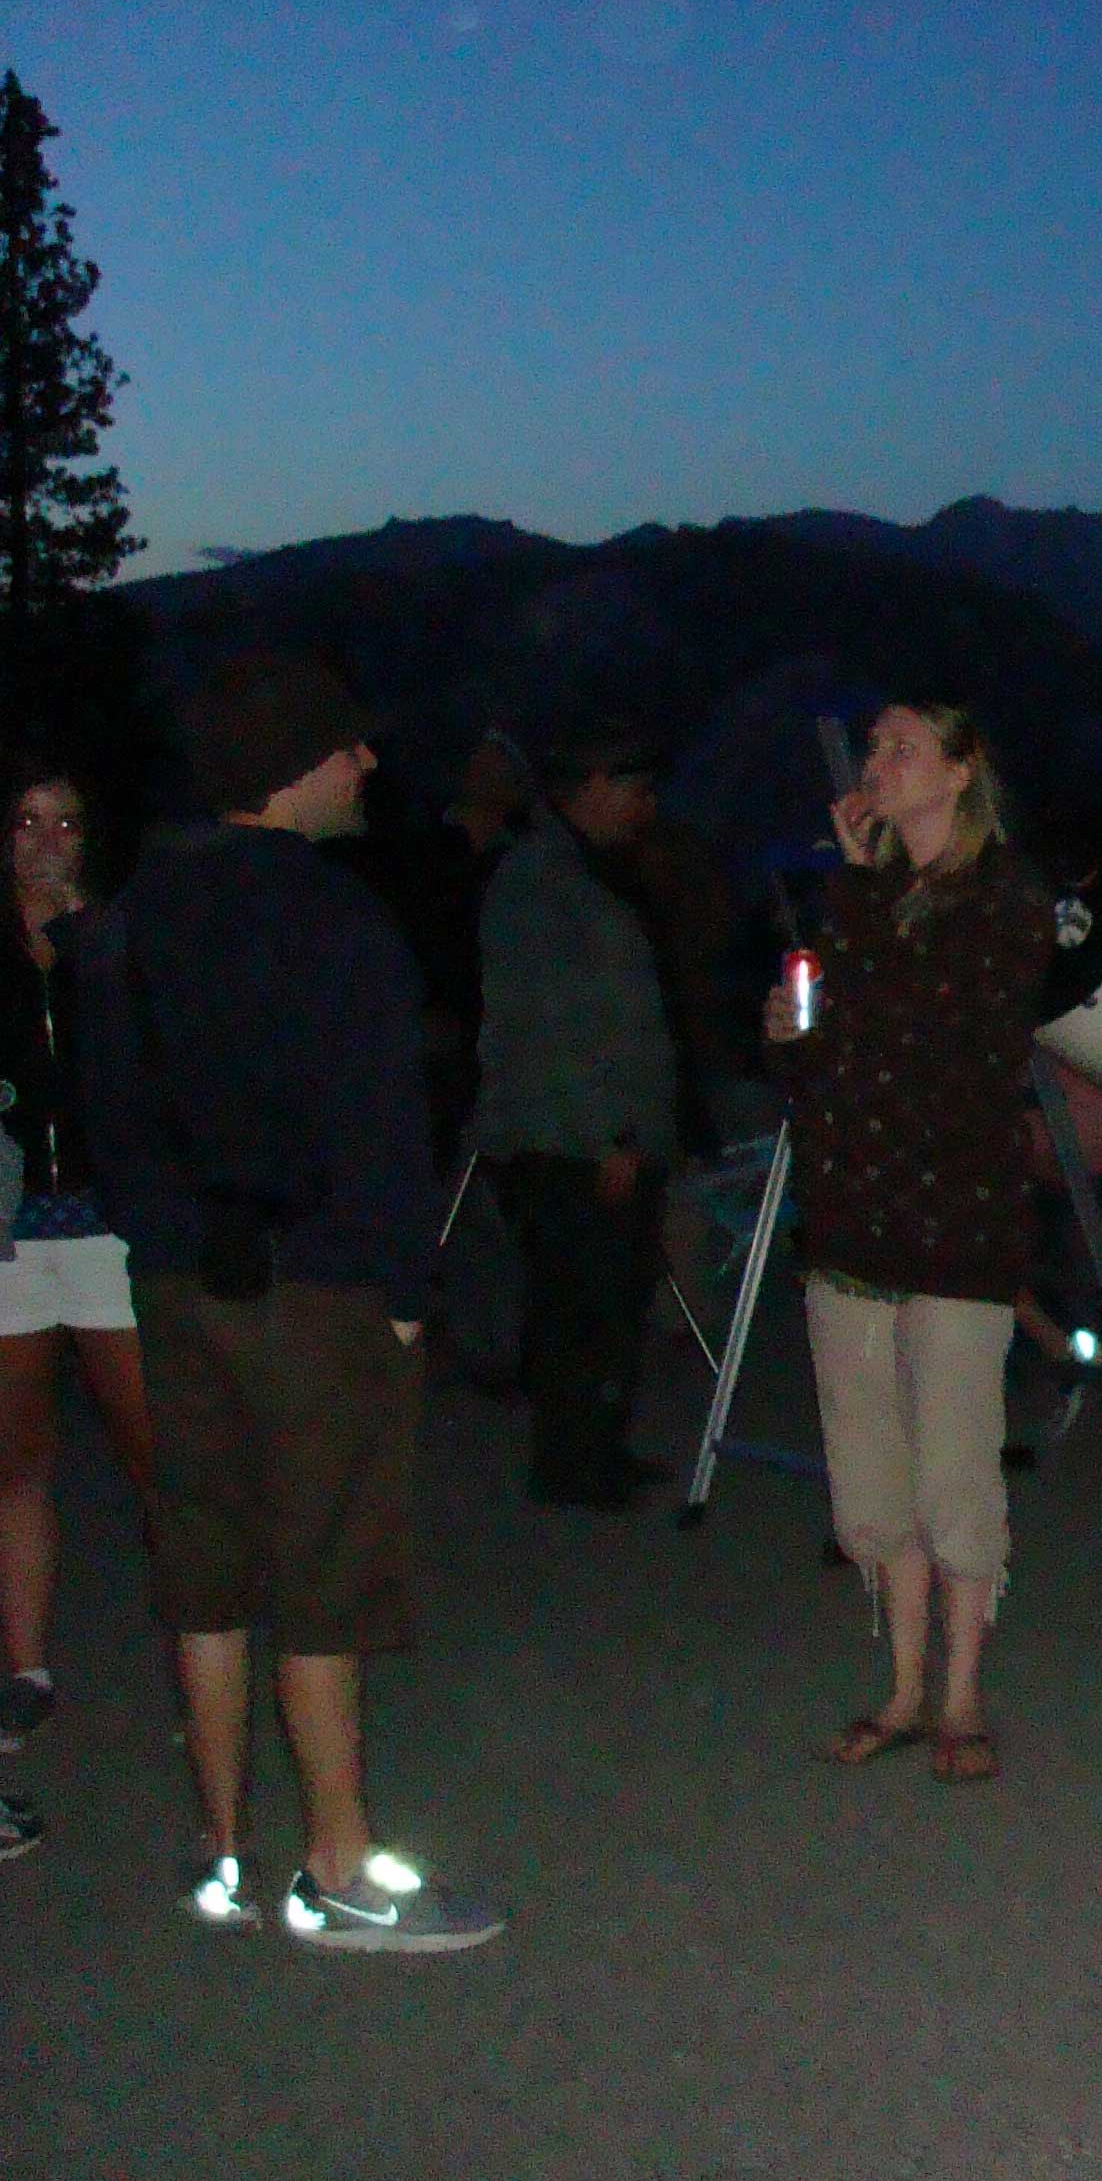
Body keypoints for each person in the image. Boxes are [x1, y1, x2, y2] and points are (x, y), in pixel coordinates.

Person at [69, 654, 502, 1951]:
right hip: (317, 1291)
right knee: (325, 1567)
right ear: (288, 765)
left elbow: (109, 1118)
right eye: (345, 745)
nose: (367, 763)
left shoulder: (132, 917)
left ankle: (223, 1851)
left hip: (179, 1286)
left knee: (205, 1561)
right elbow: (381, 1125)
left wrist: (170, 1241)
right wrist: (407, 1293)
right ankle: (340, 1866)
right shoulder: (333, 918)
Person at [771, 699, 1056, 1786]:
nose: (877, 765)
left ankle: (962, 1692)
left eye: (903, 748)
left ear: (960, 770)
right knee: (868, 1477)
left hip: (956, 1222)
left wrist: (857, 900)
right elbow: (828, 1058)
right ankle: (900, 1688)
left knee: (953, 1472)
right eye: (876, 747)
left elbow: (939, 1027)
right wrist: (792, 1031)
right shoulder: (861, 897)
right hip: (853, 1211)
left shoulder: (1005, 896)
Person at [469, 719, 681, 1511]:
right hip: (571, 1136)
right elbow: (554, 1022)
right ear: (593, 786)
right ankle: (572, 1464)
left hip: (599, 1129)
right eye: (634, 789)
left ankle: (598, 1448)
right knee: (581, 1300)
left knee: (612, 1295)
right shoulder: (541, 881)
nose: (645, 806)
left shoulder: (589, 870)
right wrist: (607, 1138)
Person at [0, 763, 154, 1760]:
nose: (47, 841)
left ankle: (202, 1646)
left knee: (155, 1450)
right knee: (16, 1459)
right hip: (11, 1228)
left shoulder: (118, 936)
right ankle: (25, 1668)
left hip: (107, 1224)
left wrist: (85, 939)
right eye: (27, 821)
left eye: (67, 822)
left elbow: (153, 1055)